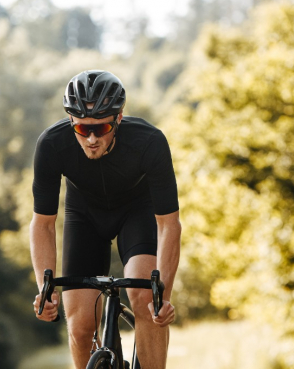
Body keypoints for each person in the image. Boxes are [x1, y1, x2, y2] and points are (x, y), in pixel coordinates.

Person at [30, 70, 182, 369]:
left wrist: (162, 294)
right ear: (70, 122)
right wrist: (44, 289)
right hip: (84, 217)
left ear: (119, 118)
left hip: (136, 213)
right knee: (79, 324)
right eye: (82, 129)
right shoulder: (52, 144)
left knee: (145, 299)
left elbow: (169, 224)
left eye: (101, 128)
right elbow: (43, 224)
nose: (92, 138)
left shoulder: (149, 142)